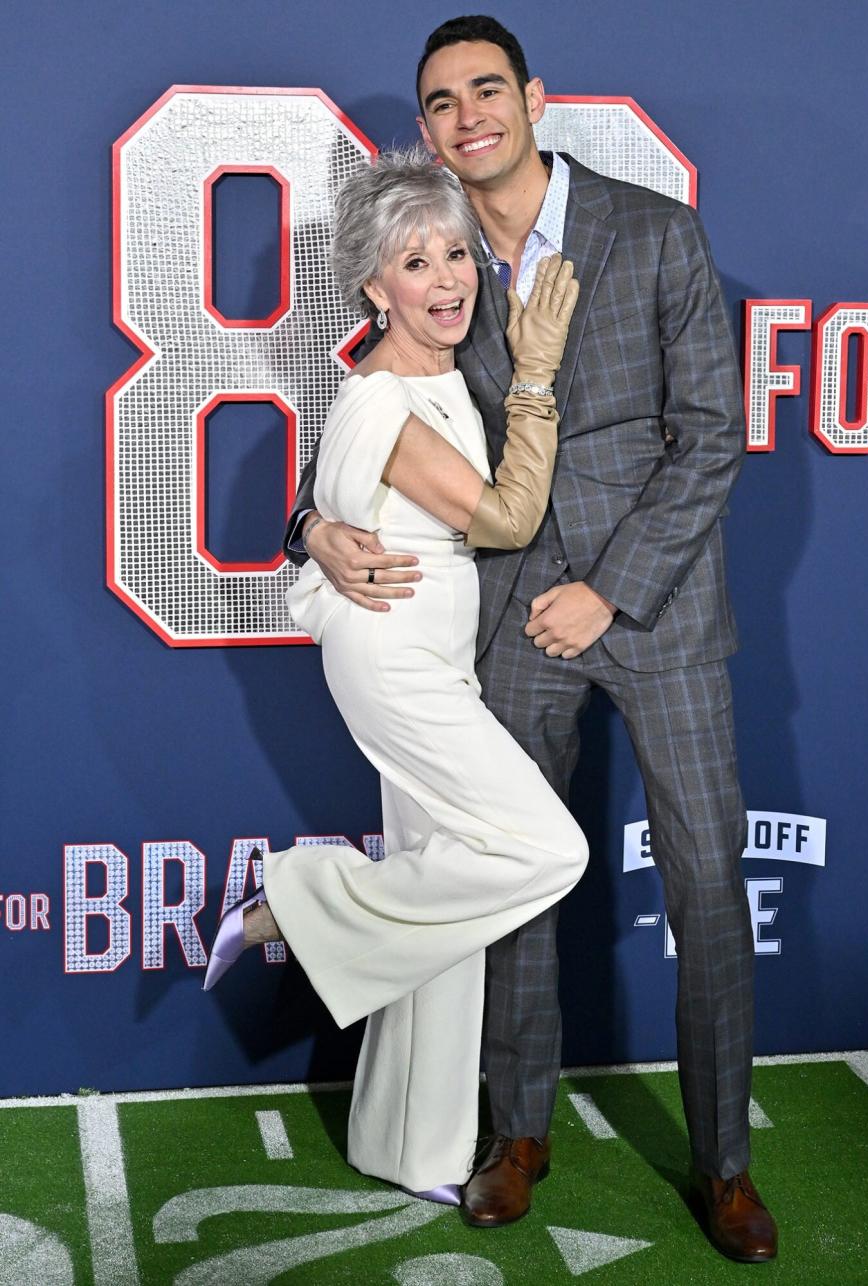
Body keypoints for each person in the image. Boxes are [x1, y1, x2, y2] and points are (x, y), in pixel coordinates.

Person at [286, 14, 779, 1263]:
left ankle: (723, 1162)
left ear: (535, 98)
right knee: (513, 879)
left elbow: (709, 438)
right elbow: (366, 417)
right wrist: (309, 526)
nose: (469, 118)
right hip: (505, 620)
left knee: (709, 887)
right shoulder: (437, 257)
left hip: (651, 611)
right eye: (443, 103)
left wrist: (610, 591)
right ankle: (516, 1132)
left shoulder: (656, 231)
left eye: (487, 91)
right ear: (430, 129)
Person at [205, 148, 585, 1204]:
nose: (448, 277)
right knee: (548, 847)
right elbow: (506, 516)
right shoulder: (385, 398)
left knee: (445, 904)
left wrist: (310, 522)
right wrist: (542, 371)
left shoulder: (435, 373)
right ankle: (296, 899)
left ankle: (407, 1147)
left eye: (456, 251)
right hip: (394, 658)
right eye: (416, 262)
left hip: (432, 654)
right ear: (375, 287)